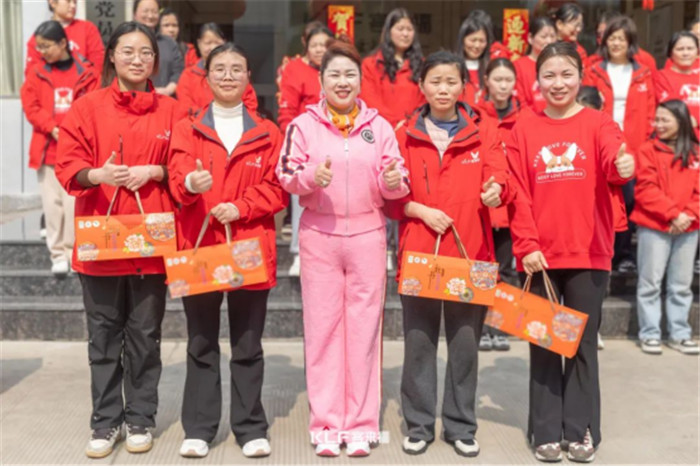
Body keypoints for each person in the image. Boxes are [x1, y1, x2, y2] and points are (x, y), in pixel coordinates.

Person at [55, 21, 185, 459]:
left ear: (156, 60)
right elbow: (67, 166)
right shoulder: (86, 108)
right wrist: (98, 174)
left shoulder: (171, 111)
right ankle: (106, 421)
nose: (137, 59)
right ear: (111, 56)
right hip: (101, 243)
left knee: (146, 337)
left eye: (146, 52)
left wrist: (156, 171)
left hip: (151, 245)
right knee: (103, 338)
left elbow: (184, 169)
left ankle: (140, 418)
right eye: (128, 51)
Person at [276, 40, 409, 458]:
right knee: (323, 331)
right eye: (334, 74)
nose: (342, 81)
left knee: (365, 331)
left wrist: (391, 182)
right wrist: (311, 176)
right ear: (321, 80)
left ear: (360, 81)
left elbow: (398, 179)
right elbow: (286, 173)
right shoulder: (303, 126)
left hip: (368, 236)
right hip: (321, 237)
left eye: (350, 74)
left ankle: (362, 424)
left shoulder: (379, 127)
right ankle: (328, 424)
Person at [505, 41, 635, 463]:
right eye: (549, 75)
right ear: (537, 81)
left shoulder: (599, 123)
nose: (557, 83)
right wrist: (526, 245)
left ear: (581, 77)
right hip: (539, 256)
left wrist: (622, 167)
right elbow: (517, 191)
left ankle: (580, 430)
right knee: (544, 343)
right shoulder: (524, 127)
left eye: (566, 74)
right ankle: (545, 430)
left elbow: (613, 159)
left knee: (580, 346)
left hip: (588, 252)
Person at [385, 50, 511, 458]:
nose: (443, 89)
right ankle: (419, 424)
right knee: (419, 342)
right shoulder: (403, 133)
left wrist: (495, 190)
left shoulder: (484, 129)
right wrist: (418, 210)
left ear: (463, 86)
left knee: (465, 344)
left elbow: (500, 176)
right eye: (435, 81)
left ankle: (460, 425)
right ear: (422, 85)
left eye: (451, 81)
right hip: (421, 251)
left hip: (471, 252)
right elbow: (388, 196)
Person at [168, 42, 287, 459]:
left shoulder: (268, 132)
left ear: (248, 76)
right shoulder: (188, 128)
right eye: (220, 68)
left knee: (248, 343)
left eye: (237, 68)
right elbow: (176, 177)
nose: (228, 75)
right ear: (206, 76)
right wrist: (190, 185)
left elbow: (278, 188)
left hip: (249, 246)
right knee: (200, 341)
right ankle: (199, 428)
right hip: (201, 245)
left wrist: (242, 206)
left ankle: (250, 426)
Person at [21, 20, 99, 276]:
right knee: (52, 206)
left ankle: (71, 251)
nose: (41, 51)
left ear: (63, 43)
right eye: (39, 47)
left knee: (73, 204)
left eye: (46, 46)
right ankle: (57, 254)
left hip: (77, 152)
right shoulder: (37, 72)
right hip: (48, 150)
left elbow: (92, 106)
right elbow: (30, 106)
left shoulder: (86, 71)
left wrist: (71, 131)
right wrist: (52, 127)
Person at [583, 15, 656, 274]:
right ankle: (601, 249)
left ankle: (623, 253)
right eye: (611, 38)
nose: (616, 43)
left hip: (634, 147)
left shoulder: (644, 73)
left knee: (629, 199)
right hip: (601, 144)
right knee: (600, 199)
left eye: (621, 39)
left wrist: (645, 145)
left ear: (630, 42)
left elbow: (651, 112)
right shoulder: (593, 72)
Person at [631, 99, 699, 355]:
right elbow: (645, 189)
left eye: (664, 120)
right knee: (650, 282)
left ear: (680, 121)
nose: (658, 124)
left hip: (689, 227)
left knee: (681, 284)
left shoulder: (696, 152)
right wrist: (672, 215)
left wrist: (687, 216)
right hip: (655, 225)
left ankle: (679, 334)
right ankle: (650, 333)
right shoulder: (647, 150)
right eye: (656, 119)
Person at [277, 22, 333, 276]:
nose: (320, 49)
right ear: (306, 45)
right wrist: (294, 139)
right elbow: (287, 109)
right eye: (315, 44)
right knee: (302, 197)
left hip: (335, 139)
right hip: (305, 142)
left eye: (325, 45)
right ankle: (299, 253)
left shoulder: (336, 68)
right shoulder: (295, 69)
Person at [476, 58, 522, 352]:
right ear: (487, 82)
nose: (503, 86)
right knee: (481, 269)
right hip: (482, 203)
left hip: (510, 205)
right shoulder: (475, 116)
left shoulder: (525, 117)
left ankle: (500, 328)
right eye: (498, 80)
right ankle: (481, 328)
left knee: (506, 270)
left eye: (508, 80)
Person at [576, 86, 611, 352]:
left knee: (594, 289)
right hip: (570, 224)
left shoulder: (606, 131)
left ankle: (592, 330)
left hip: (597, 226)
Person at [360, 8, 424, 128]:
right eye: (400, 29)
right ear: (388, 32)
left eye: (409, 29)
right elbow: (368, 99)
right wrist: (392, 125)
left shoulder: (423, 66)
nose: (405, 34)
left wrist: (407, 124)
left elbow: (425, 101)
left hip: (412, 130)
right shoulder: (370, 64)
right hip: (379, 129)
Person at [25, 0, 104, 75]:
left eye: (75, 2)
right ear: (52, 2)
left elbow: (98, 65)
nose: (73, 6)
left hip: (84, 82)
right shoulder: (40, 36)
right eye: (68, 1)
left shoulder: (88, 29)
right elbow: (32, 73)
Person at [133, 0, 184, 96]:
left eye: (154, 11)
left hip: (164, 99)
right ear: (135, 14)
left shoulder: (169, 43)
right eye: (145, 11)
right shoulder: (126, 40)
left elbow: (178, 71)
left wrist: (168, 90)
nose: (150, 16)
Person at [176, 23, 225, 115]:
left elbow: (249, 101)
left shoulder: (233, 73)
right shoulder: (188, 75)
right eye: (208, 43)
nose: (213, 47)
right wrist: (206, 116)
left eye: (217, 43)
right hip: (196, 122)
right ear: (199, 43)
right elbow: (185, 104)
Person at [655, 32, 700, 133]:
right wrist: (689, 121)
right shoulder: (661, 77)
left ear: (697, 52)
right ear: (670, 53)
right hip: (678, 136)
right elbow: (671, 109)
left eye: (690, 49)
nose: (685, 53)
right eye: (680, 49)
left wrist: (696, 120)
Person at [585, 12, 656, 72]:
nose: (602, 38)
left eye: (607, 34)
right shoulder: (592, 62)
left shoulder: (645, 60)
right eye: (599, 34)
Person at [514, 17, 557, 112]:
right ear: (530, 38)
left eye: (552, 36)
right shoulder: (518, 66)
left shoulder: (560, 64)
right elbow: (519, 101)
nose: (549, 41)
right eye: (544, 37)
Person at [456, 14, 492, 106]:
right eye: (473, 40)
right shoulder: (452, 67)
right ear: (462, 40)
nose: (477, 46)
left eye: (482, 41)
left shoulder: (491, 67)